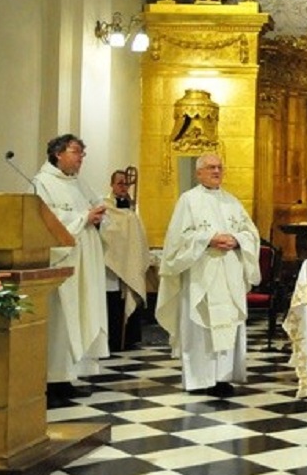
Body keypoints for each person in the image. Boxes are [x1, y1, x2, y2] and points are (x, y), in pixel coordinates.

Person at [156, 154, 261, 397]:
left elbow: (251, 234)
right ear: (199, 173)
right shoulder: (188, 200)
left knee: (228, 323)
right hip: (200, 275)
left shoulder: (232, 201)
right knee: (200, 325)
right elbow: (177, 240)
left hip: (229, 274)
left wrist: (237, 240)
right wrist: (208, 239)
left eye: (219, 167)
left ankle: (223, 378)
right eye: (211, 167)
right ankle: (199, 379)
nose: (216, 171)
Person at [33, 134, 109, 404]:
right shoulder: (42, 183)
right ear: (58, 154)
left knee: (79, 317)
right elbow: (44, 220)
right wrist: (84, 217)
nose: (81, 158)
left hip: (85, 260)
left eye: (82, 153)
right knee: (61, 320)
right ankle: (51, 381)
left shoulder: (78, 182)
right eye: (76, 152)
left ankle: (68, 377)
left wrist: (99, 217)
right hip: (62, 261)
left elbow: (97, 208)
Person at [100, 169, 152, 352]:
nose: (124, 187)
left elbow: (138, 238)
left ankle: (130, 338)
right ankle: (112, 340)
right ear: (112, 184)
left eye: (126, 184)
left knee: (128, 297)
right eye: (120, 183)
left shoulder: (131, 210)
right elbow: (107, 232)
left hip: (129, 261)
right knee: (112, 302)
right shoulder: (106, 207)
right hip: (113, 263)